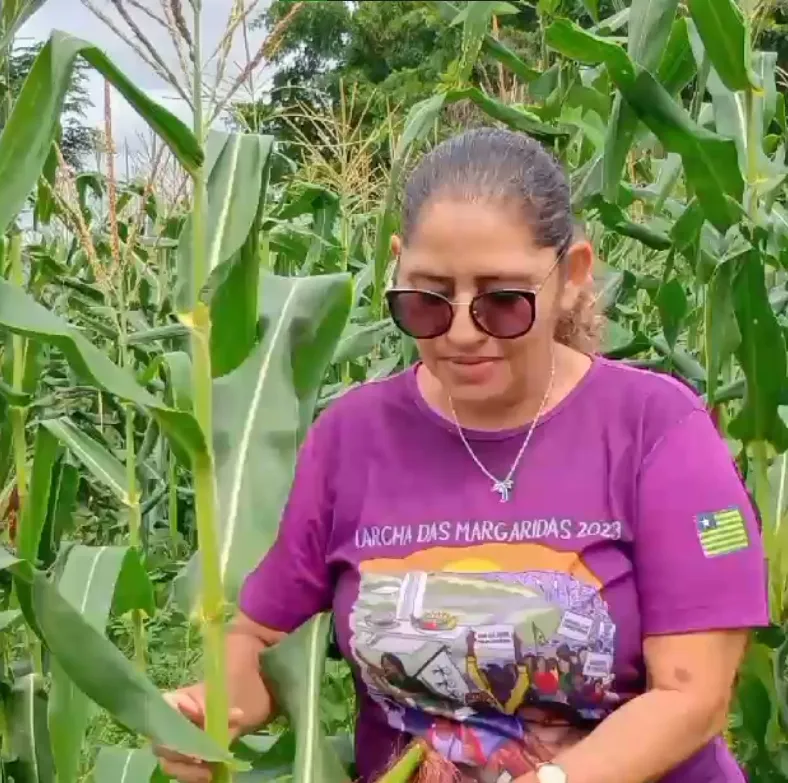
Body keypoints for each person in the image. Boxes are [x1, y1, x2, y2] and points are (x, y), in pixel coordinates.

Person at [153, 127, 770, 783]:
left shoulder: (656, 428)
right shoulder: (353, 435)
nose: (464, 332)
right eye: (428, 299)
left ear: (572, 276)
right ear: (396, 266)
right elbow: (259, 636)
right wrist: (215, 708)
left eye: (504, 300)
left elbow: (692, 696)